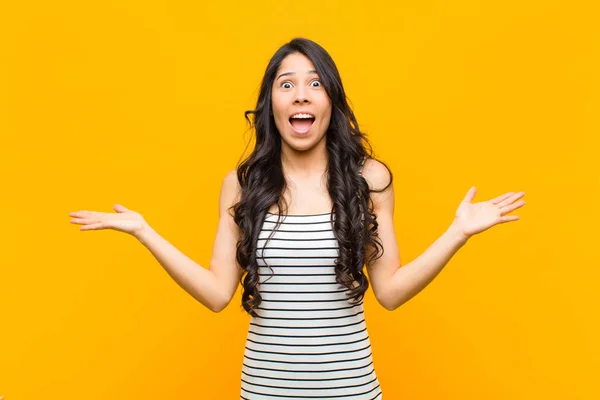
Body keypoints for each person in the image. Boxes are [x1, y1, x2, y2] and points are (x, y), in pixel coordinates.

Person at [68, 38, 526, 399]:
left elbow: (390, 292)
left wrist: (457, 233)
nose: (301, 95)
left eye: (315, 83)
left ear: (332, 100)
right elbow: (215, 294)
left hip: (350, 392)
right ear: (271, 104)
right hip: (266, 392)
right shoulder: (243, 184)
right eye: (286, 84)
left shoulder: (369, 179)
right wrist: (145, 232)